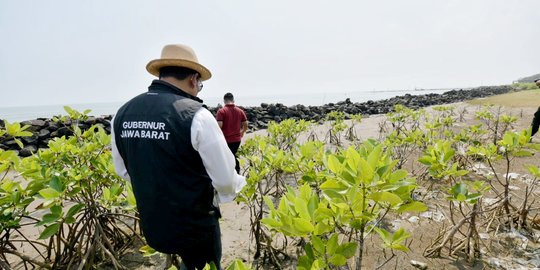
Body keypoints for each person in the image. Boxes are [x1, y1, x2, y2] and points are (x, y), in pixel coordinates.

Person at [111, 44, 246, 270]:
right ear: (193, 79)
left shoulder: (122, 113)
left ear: (162, 74)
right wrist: (234, 187)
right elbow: (224, 180)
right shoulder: (197, 116)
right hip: (195, 224)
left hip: (154, 222)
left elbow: (123, 170)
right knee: (205, 264)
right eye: (200, 85)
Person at [216, 93, 248, 173]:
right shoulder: (240, 111)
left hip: (226, 140)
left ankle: (230, 173)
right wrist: (242, 132)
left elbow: (219, 125)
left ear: (224, 101)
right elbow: (246, 124)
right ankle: (237, 172)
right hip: (237, 140)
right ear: (233, 100)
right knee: (233, 154)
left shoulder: (221, 111)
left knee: (227, 156)